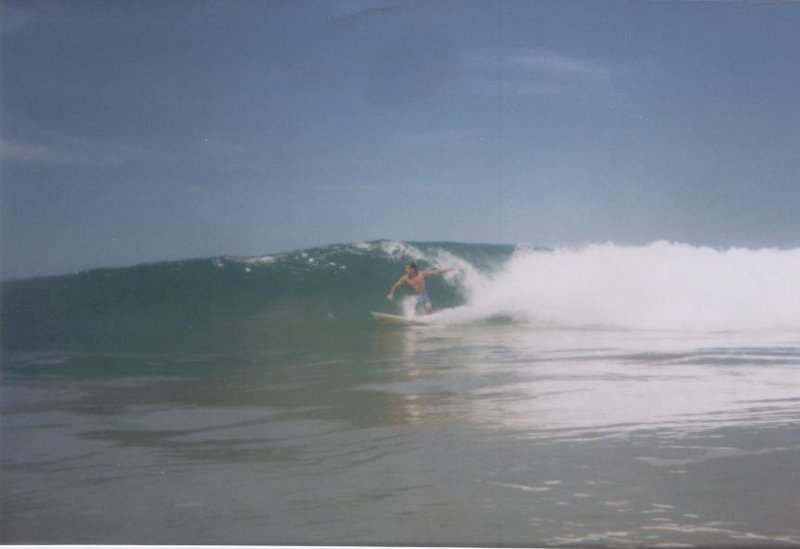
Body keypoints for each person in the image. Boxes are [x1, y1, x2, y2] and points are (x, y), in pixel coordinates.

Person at [386, 262, 453, 315]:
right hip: (418, 296)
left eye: (407, 268)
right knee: (420, 308)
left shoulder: (421, 274)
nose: (405, 270)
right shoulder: (405, 278)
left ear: (413, 269)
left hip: (425, 296)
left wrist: (448, 270)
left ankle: (428, 321)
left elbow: (436, 272)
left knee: (429, 309)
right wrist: (391, 294)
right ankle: (415, 318)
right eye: (406, 268)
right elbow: (396, 285)